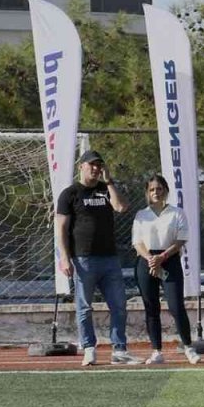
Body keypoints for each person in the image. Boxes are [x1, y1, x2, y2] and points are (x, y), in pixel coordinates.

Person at [56, 150, 134, 366]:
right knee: (84, 307)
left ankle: (119, 350)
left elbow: (121, 207)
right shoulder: (69, 194)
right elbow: (60, 229)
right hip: (83, 260)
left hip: (110, 259)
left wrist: (109, 182)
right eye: (91, 164)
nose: (96, 168)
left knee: (119, 305)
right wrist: (64, 258)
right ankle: (89, 348)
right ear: (81, 166)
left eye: (99, 165)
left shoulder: (105, 189)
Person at [131, 174, 201, 365]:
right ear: (147, 192)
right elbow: (137, 242)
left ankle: (188, 347)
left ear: (166, 191)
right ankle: (156, 351)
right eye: (152, 189)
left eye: (159, 189)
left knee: (176, 306)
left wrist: (162, 257)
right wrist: (151, 259)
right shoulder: (141, 215)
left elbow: (181, 240)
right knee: (151, 307)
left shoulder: (177, 213)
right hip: (147, 262)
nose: (156, 192)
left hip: (169, 260)